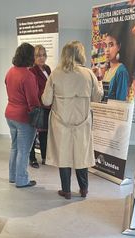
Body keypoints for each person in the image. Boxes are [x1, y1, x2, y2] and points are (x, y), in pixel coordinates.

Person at [42, 41, 103, 199]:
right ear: (80, 54)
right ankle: (84, 190)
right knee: (81, 155)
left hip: (60, 122)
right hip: (82, 122)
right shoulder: (89, 74)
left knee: (64, 155)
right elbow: (97, 97)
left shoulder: (55, 73)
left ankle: (66, 191)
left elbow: (46, 101)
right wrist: (100, 83)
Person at [5, 42, 40, 188]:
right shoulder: (28, 76)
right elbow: (33, 101)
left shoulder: (10, 71)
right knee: (24, 150)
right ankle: (22, 179)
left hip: (10, 114)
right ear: (30, 57)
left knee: (15, 147)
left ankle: (13, 176)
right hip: (24, 117)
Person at [100, 23, 135, 101]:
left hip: (113, 112)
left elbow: (120, 102)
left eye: (111, 45)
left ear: (118, 47)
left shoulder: (121, 71)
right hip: (103, 111)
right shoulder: (107, 70)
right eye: (105, 45)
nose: (107, 50)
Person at [28, 45, 51, 168]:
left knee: (44, 133)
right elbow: (34, 89)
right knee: (33, 133)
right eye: (38, 55)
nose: (41, 58)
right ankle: (31, 158)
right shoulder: (32, 71)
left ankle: (44, 156)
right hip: (37, 105)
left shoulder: (47, 69)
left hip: (47, 105)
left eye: (43, 55)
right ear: (34, 57)